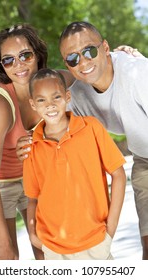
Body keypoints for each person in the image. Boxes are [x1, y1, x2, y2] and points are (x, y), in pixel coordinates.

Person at [0, 24, 73, 260]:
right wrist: (4, 242)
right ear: (1, 66)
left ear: (37, 54)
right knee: (7, 259)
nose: (18, 65)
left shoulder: (52, 82)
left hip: (32, 175)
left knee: (48, 251)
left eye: (25, 55)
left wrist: (118, 55)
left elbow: (83, 71)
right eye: (8, 60)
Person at [58, 21, 148, 260]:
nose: (84, 62)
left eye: (89, 51)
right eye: (73, 58)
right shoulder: (77, 95)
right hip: (144, 159)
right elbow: (54, 127)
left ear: (105, 48)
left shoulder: (138, 73)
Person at [23, 68, 126, 260]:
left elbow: (118, 174)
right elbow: (33, 199)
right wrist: (34, 236)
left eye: (56, 97)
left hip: (96, 244)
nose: (50, 105)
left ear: (67, 96)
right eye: (41, 100)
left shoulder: (91, 128)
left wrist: (109, 232)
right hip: (54, 251)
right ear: (33, 104)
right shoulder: (32, 146)